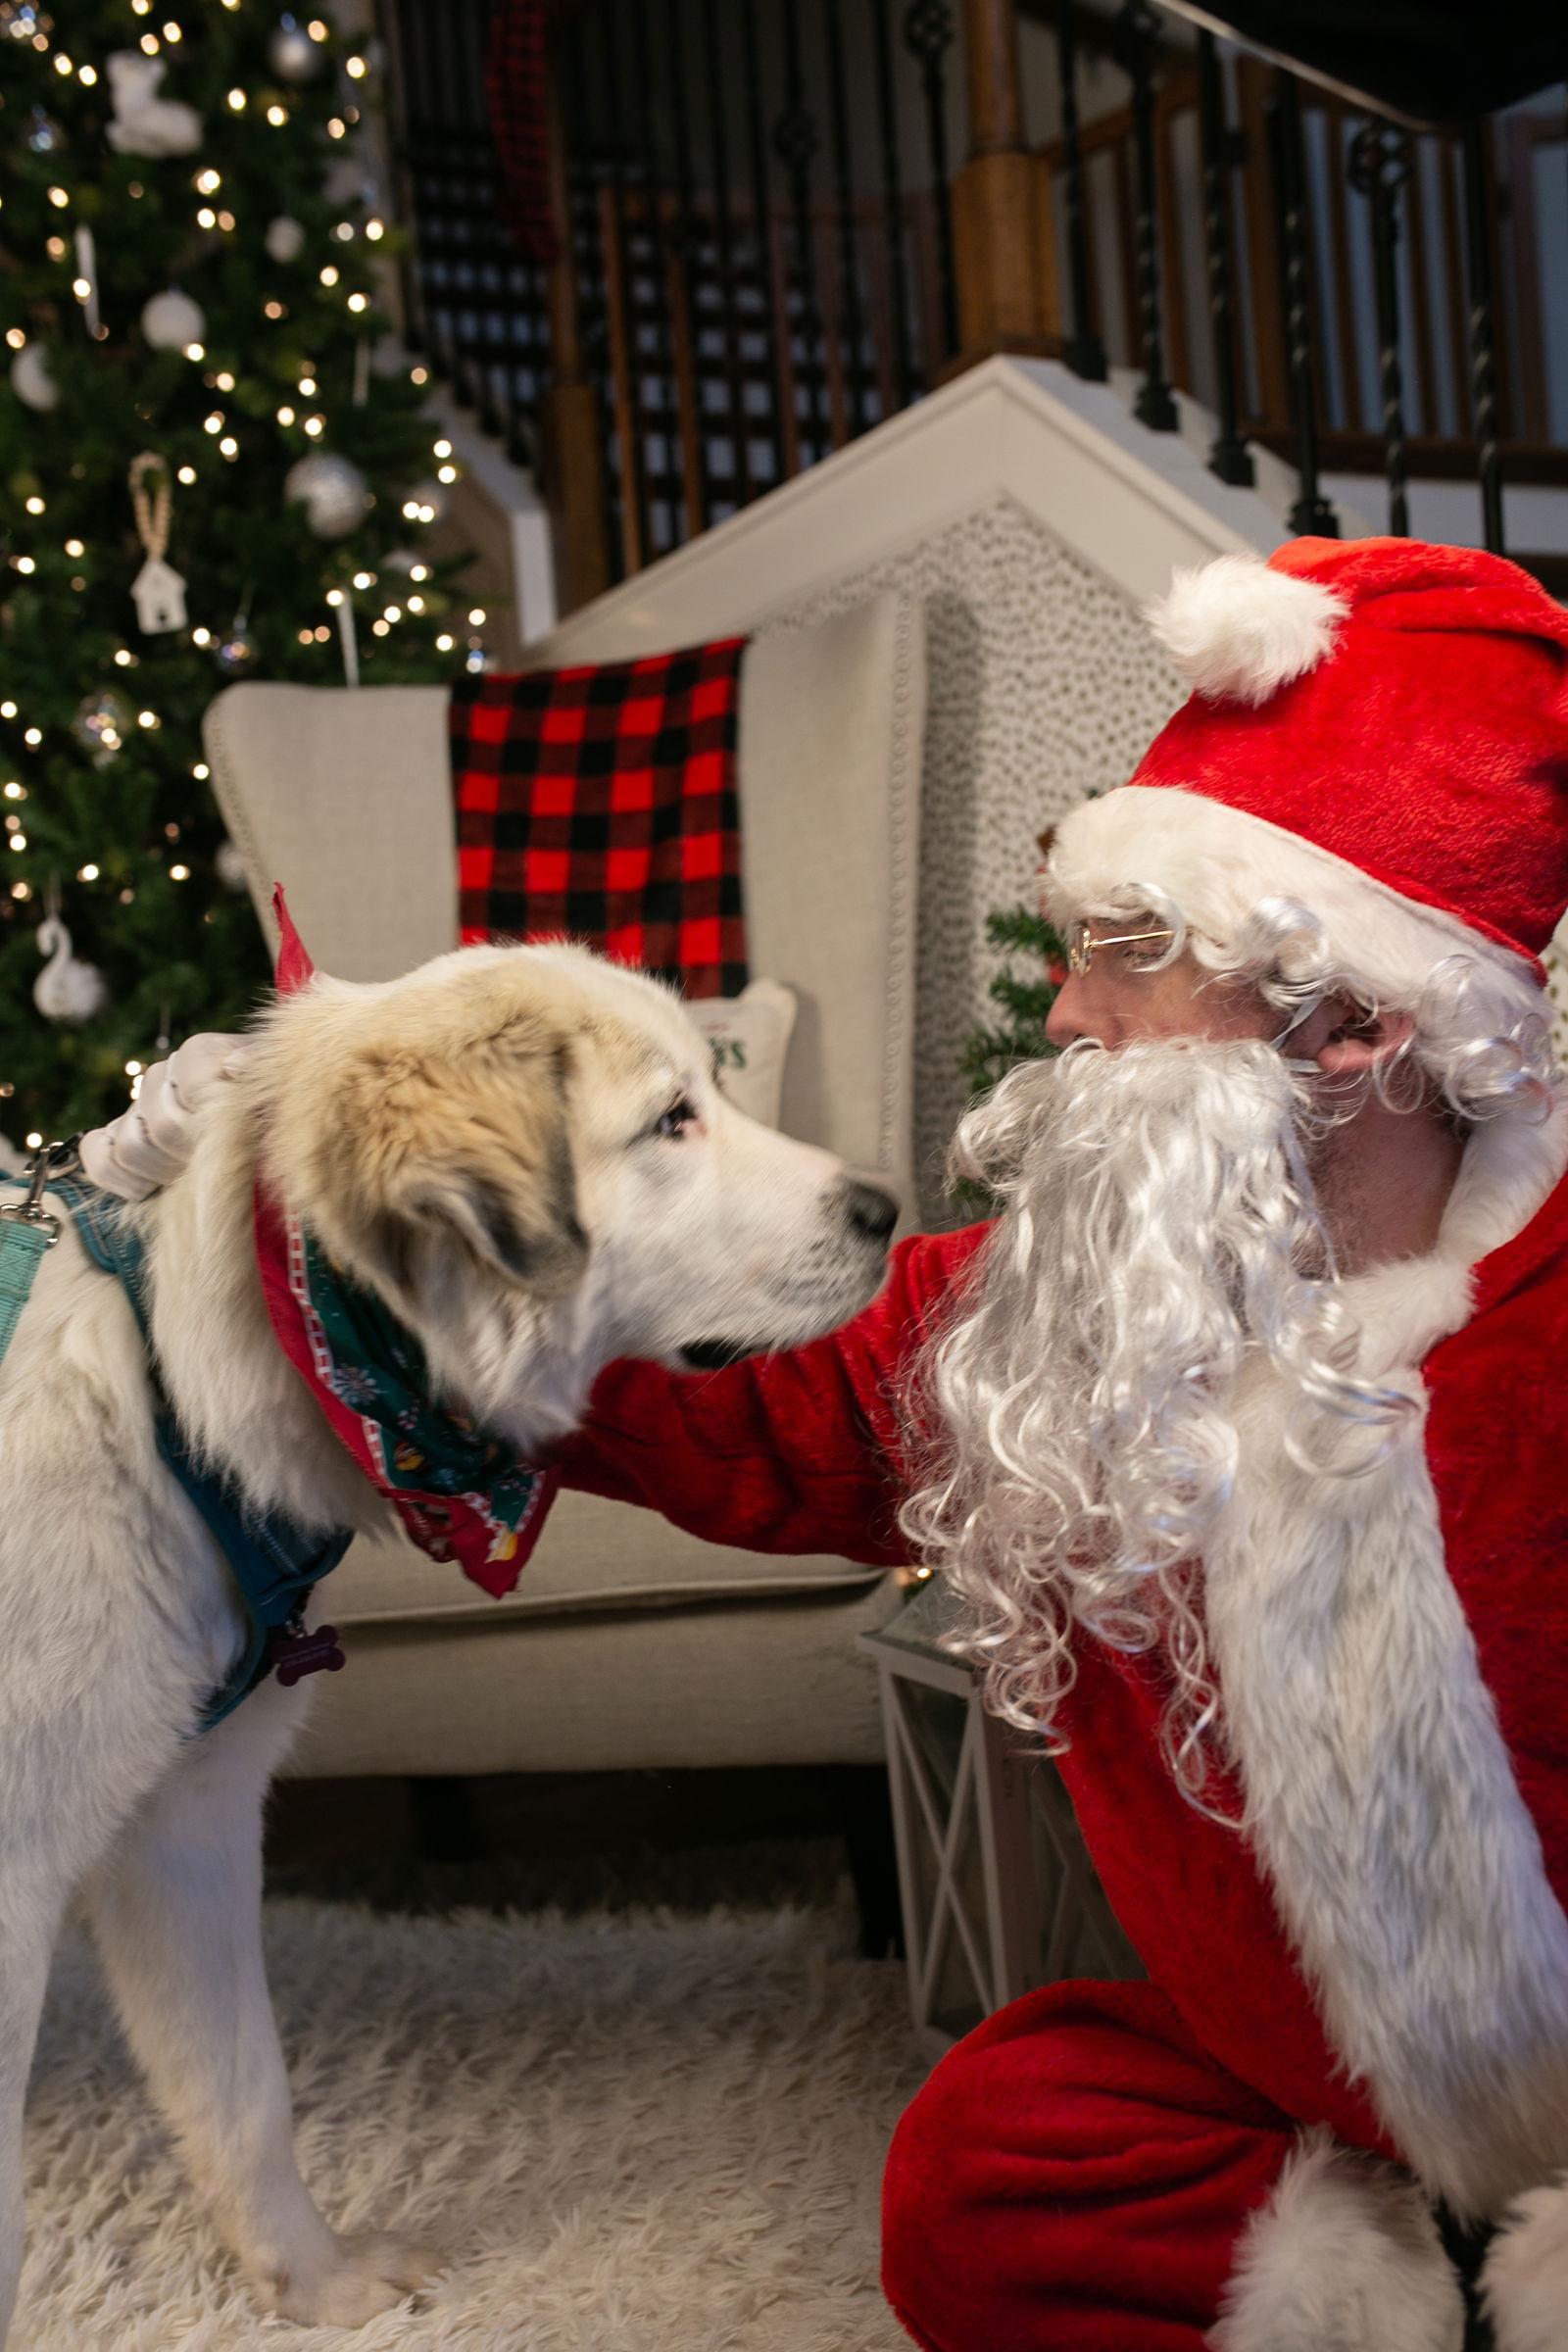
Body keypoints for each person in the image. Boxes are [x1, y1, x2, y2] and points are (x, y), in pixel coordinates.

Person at [79, 536, 1568, 2350]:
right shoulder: (1063, 1304)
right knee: (985, 2172)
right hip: (1302, 2101)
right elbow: (752, 1399)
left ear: (1353, 1034)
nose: (1067, 1012)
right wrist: (328, 1242)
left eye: (1126, 958)